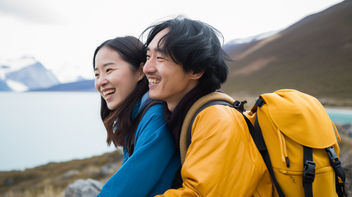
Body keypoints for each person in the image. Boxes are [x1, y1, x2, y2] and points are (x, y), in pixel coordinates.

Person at [143, 17, 273, 196]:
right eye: (148, 56)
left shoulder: (216, 118)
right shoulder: (179, 116)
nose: (147, 68)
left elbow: (200, 193)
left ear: (196, 70)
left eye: (160, 58)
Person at [93, 36, 180, 196]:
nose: (101, 82)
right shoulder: (136, 116)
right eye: (97, 74)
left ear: (140, 71)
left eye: (109, 70)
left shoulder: (156, 117)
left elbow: (126, 190)